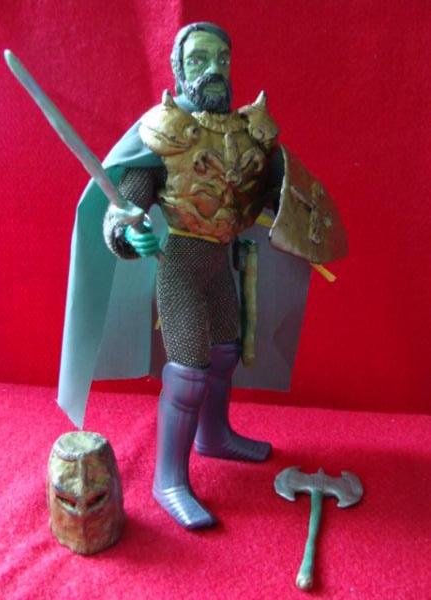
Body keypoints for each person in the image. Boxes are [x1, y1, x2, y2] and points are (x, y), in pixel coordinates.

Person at [57, 21, 345, 530]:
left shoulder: (246, 132)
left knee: (225, 354)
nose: (213, 69)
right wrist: (128, 231)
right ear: (179, 69)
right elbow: (124, 205)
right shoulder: (164, 131)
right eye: (198, 60)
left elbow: (271, 192)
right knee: (189, 371)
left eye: (221, 59)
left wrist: (287, 200)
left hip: (220, 264)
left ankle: (214, 436)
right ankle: (168, 478)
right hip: (181, 268)